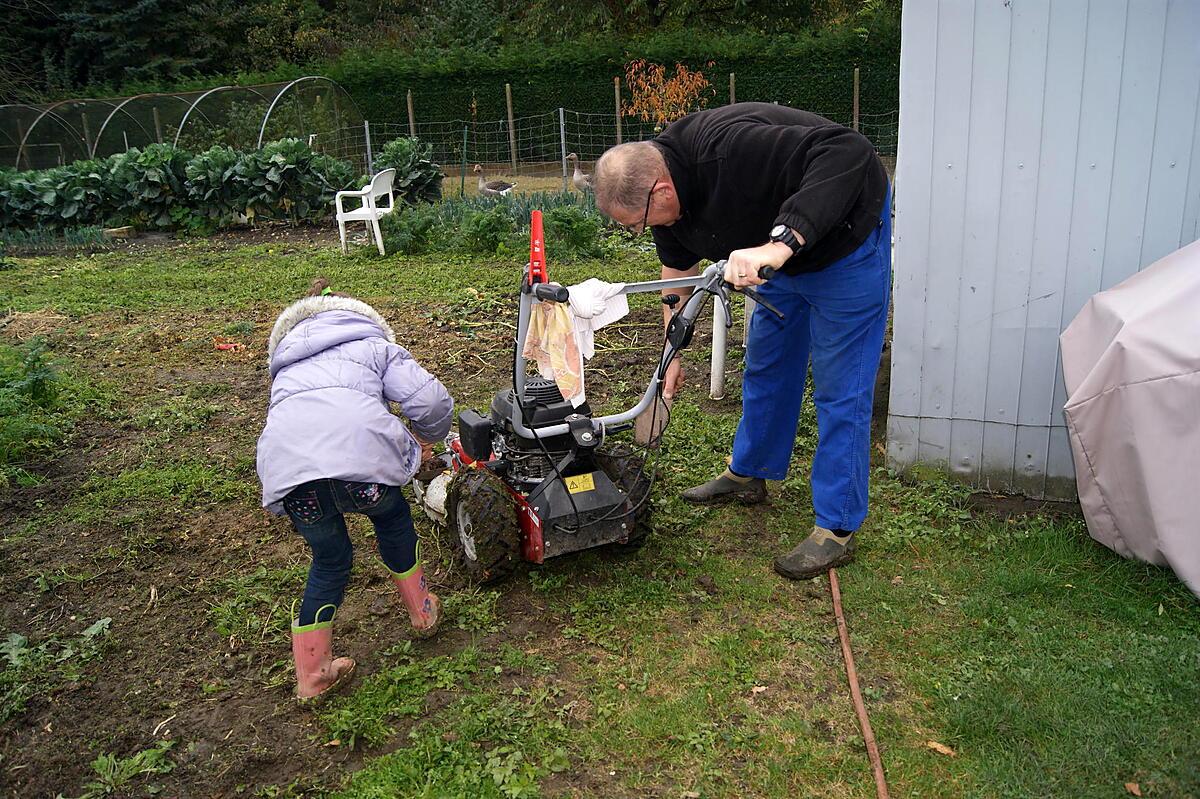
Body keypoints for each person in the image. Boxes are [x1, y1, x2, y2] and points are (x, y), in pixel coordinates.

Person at [592, 102, 891, 581]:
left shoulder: (731, 153)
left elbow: (847, 149)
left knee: (842, 387)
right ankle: (750, 472)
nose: (640, 231)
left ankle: (837, 525)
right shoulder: (666, 202)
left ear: (662, 188)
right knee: (767, 366)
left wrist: (778, 245)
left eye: (638, 221)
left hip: (842, 243)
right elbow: (677, 271)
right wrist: (672, 349)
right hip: (779, 260)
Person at [256, 278, 454, 701]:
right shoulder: (374, 346)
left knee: (329, 560)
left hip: (294, 480)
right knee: (392, 519)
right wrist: (424, 439)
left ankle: (312, 676)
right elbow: (432, 402)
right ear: (359, 317)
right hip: (364, 474)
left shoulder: (287, 365)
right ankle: (422, 612)